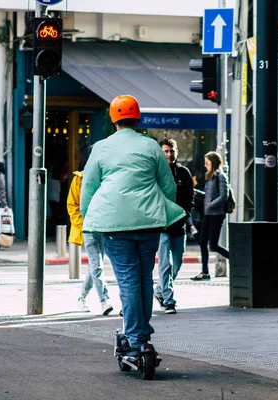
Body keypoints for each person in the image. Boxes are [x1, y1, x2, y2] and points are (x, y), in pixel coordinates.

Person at [81, 95, 185, 356]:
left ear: (113, 119)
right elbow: (169, 187)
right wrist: (160, 209)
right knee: (144, 279)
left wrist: (88, 218)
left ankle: (137, 337)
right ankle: (141, 332)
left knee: (128, 279)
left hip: (114, 225)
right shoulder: (151, 146)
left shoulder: (101, 148)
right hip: (149, 223)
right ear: (137, 118)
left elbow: (89, 188)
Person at [154, 138, 193, 314]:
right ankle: (169, 301)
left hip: (179, 227)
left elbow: (190, 199)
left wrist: (185, 216)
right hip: (162, 228)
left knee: (176, 265)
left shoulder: (184, 173)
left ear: (176, 152)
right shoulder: (157, 173)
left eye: (171, 151)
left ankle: (159, 291)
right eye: (166, 151)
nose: (169, 154)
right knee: (165, 264)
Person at [68, 170, 113, 315]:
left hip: (104, 227)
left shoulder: (108, 177)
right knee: (96, 264)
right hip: (88, 228)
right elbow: (72, 205)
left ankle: (82, 297)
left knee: (94, 265)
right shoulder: (79, 179)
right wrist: (83, 224)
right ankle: (104, 300)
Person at [191, 152, 230, 281]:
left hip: (217, 215)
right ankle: (205, 272)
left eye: (207, 162)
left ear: (213, 163)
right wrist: (198, 194)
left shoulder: (220, 176)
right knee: (202, 242)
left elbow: (224, 196)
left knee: (213, 245)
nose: (205, 165)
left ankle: (237, 259)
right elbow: (209, 196)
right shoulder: (209, 178)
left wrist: (211, 205)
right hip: (208, 215)